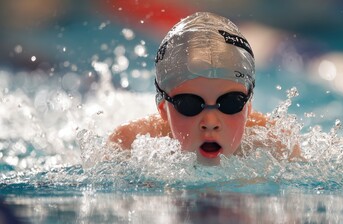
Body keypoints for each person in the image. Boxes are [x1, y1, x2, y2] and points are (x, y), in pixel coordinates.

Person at [108, 12, 301, 165]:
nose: (210, 122)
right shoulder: (128, 146)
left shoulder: (277, 147)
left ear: (248, 108)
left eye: (231, 102)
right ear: (164, 110)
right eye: (189, 104)